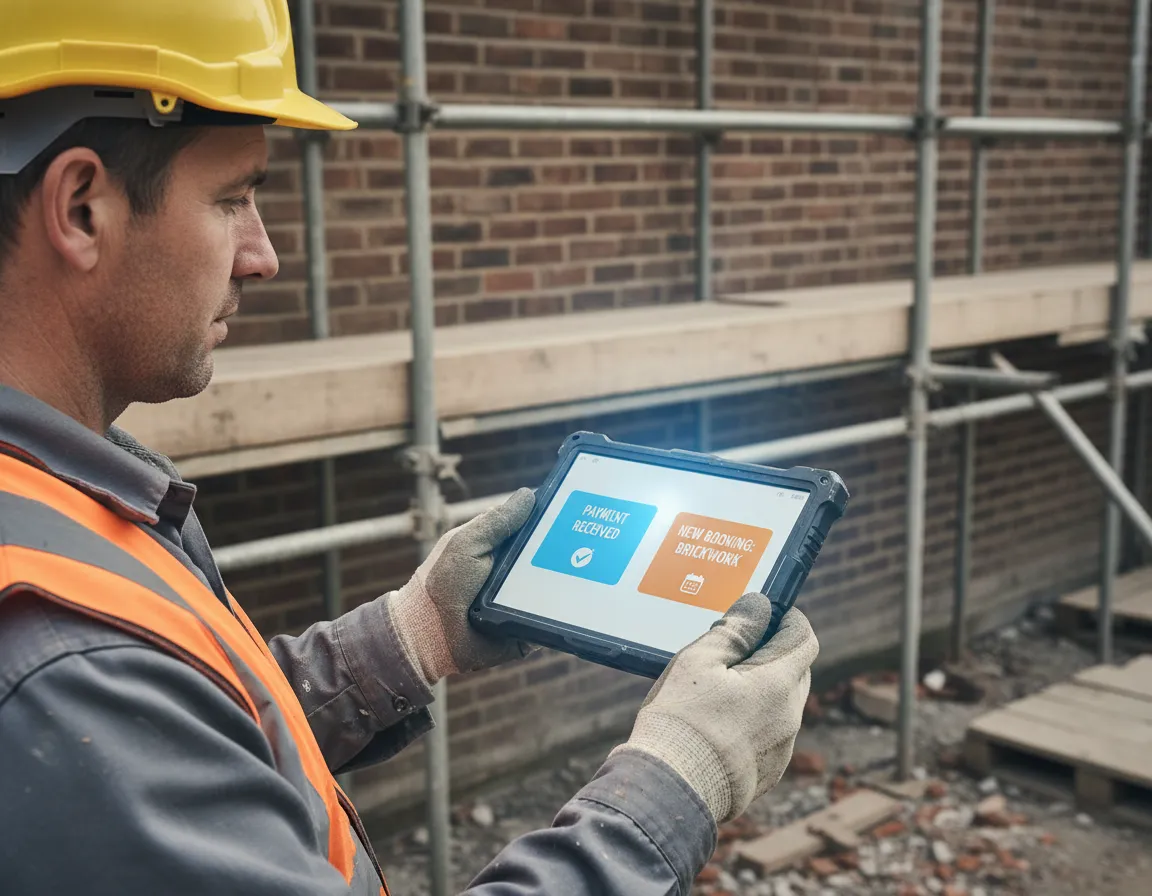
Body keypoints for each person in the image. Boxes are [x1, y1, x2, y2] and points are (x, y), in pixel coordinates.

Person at [0, 2, 820, 894]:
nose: (261, 256)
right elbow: (120, 714)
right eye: (232, 198)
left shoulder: (55, 496)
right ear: (82, 205)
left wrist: (409, 636)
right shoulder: (61, 657)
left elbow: (183, 736)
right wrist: (675, 785)